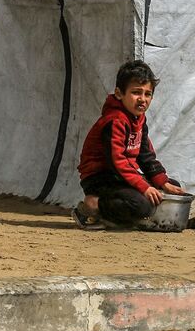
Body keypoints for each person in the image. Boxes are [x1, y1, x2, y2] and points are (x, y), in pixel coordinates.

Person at [72, 59, 185, 229]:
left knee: (171, 186)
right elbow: (116, 162)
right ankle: (93, 205)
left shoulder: (138, 119)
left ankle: (125, 214)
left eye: (148, 94)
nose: (142, 99)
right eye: (136, 92)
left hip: (119, 176)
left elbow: (145, 155)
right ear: (119, 94)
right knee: (141, 205)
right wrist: (144, 187)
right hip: (101, 178)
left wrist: (162, 182)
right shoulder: (114, 121)